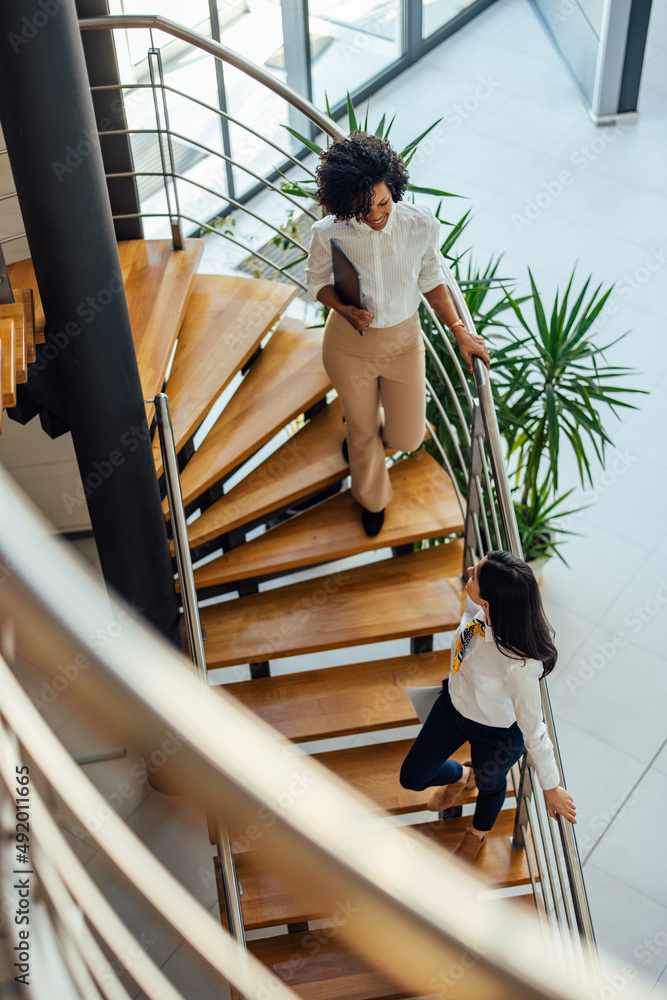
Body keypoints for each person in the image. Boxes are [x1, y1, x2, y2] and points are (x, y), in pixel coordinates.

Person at [304, 132, 490, 537]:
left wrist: (459, 330)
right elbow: (317, 282)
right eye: (362, 209)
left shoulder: (419, 224)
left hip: (404, 343)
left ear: (395, 188)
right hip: (348, 346)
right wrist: (344, 309)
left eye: (383, 203)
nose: (375, 217)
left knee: (407, 436)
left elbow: (432, 282)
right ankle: (371, 497)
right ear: (343, 202)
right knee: (362, 429)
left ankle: (362, 438)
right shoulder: (328, 232)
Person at [400, 550, 576, 863]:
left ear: (490, 602)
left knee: (490, 786)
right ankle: (460, 777)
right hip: (454, 705)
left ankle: (477, 835)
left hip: (496, 734)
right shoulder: (479, 609)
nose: (468, 570)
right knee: (412, 778)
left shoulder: (520, 665)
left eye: (474, 575)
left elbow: (533, 729)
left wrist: (551, 786)